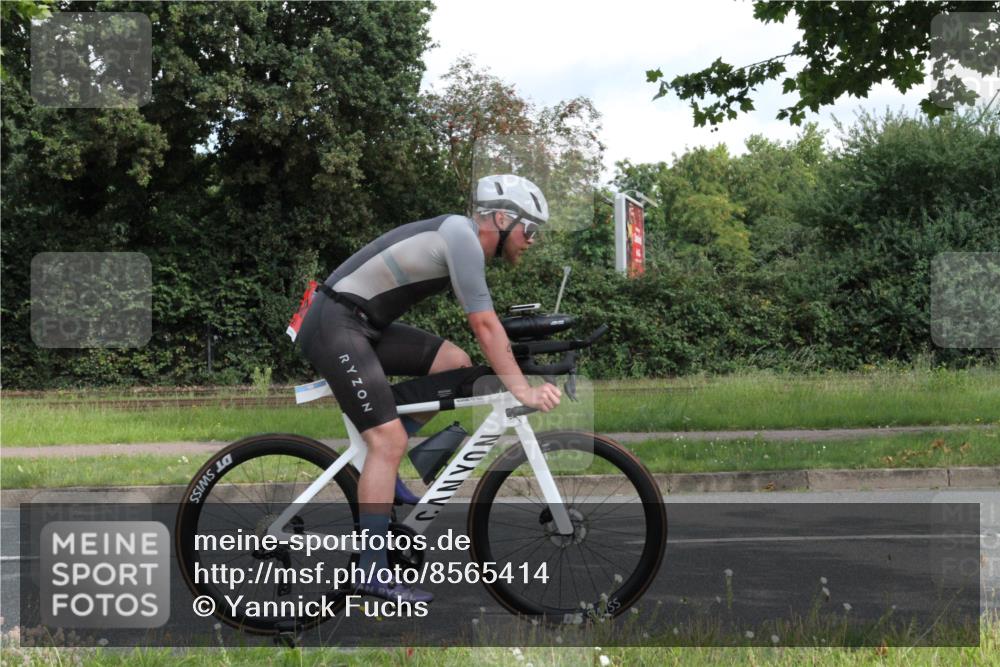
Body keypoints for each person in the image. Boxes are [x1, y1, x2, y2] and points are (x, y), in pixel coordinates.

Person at [296, 174, 562, 603]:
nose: (532, 240)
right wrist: (523, 390)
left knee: (454, 364)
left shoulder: (461, 238)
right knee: (386, 440)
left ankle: (389, 453)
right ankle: (372, 572)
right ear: (500, 218)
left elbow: (485, 330)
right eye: (529, 229)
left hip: (360, 323)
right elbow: (484, 324)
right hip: (336, 323)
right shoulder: (462, 235)